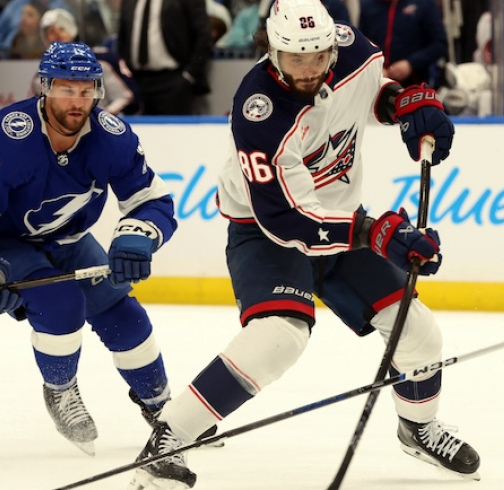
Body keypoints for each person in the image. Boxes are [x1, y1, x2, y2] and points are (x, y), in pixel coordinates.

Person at [125, 1, 476, 488]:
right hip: (266, 231)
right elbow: (288, 219)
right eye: (295, 59)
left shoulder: (351, 51)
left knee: (417, 331)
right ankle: (170, 437)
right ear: (272, 49)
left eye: (319, 56)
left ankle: (418, 428)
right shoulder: (258, 111)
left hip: (340, 218)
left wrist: (403, 103)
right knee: (277, 338)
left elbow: (367, 94)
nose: (309, 70)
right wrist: (376, 233)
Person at [0, 42, 179, 457]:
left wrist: (137, 236)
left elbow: (151, 200)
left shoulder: (110, 138)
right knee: (61, 302)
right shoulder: (6, 136)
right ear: (45, 87)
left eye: (87, 90)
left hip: (69, 240)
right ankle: (61, 389)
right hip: (4, 243)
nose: (78, 101)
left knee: (125, 315)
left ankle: (165, 410)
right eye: (67, 89)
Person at [117, 0, 211, 115]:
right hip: (135, 82)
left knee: (174, 131)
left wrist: (189, 75)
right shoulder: (129, 2)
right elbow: (122, 38)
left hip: (173, 81)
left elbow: (203, 36)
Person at [37, 8, 135, 115]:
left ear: (72, 30)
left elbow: (123, 97)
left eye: (62, 28)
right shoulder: (41, 77)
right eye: (51, 31)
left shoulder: (100, 62)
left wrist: (101, 117)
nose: (57, 34)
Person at [359, 0, 447, 87]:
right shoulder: (367, 6)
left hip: (415, 85)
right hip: (377, 85)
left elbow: (440, 44)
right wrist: (375, 68)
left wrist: (411, 63)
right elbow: (361, 45)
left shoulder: (424, 3)